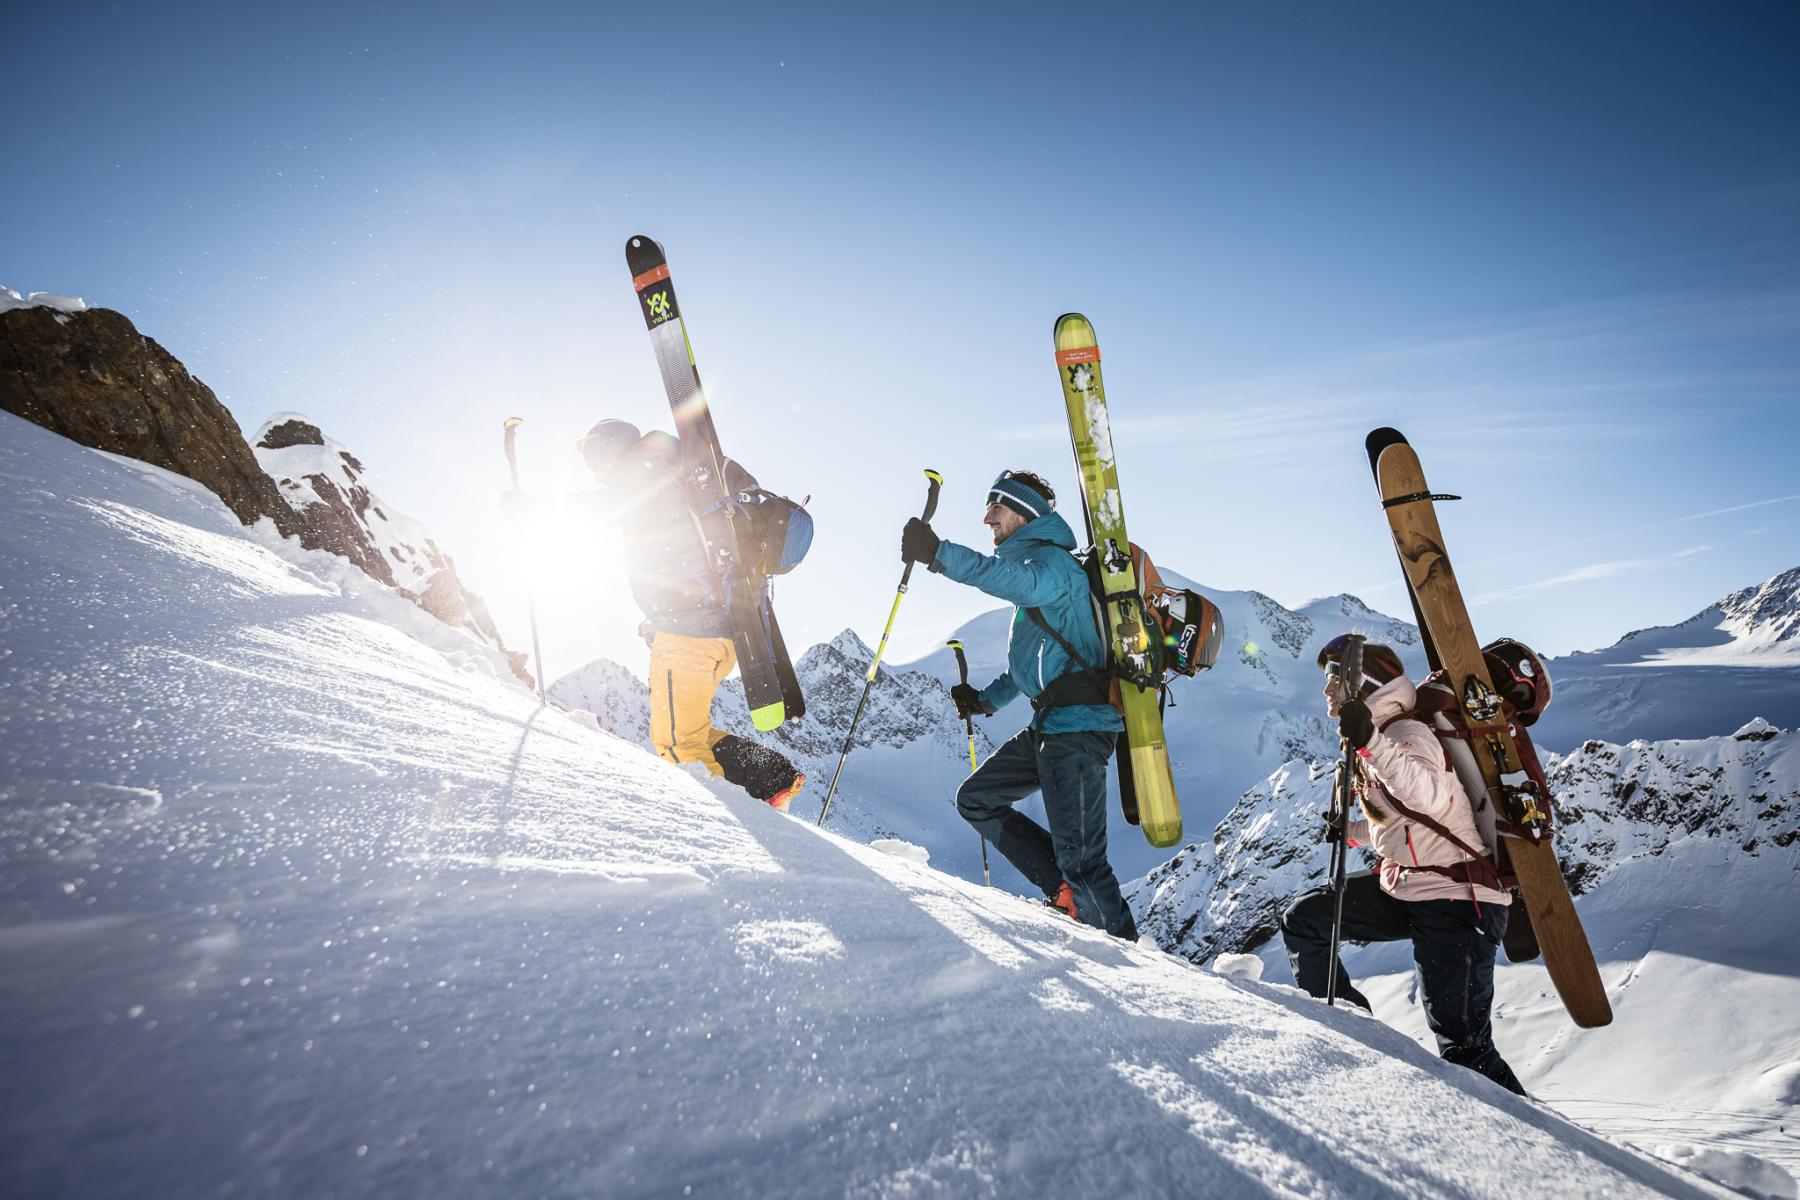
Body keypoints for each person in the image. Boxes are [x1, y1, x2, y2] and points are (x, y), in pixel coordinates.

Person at [502, 419, 804, 810]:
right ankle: (769, 777)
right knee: (685, 732)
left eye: (593, 452)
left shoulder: (641, 474)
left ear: (615, 447)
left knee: (676, 745)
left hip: (689, 638)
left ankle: (727, 830)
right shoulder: (678, 474)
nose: (592, 464)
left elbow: (601, 509)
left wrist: (533, 510)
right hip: (725, 635)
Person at [1279, 636, 1525, 1095]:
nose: (1326, 689)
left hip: (1460, 898)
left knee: (1465, 1048)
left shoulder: (1404, 734)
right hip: (1413, 886)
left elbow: (1426, 796)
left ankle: (1541, 1143)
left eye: (1335, 677)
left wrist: (1371, 740)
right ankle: (1359, 1037)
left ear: (1364, 682)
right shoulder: (1382, 737)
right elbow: (1402, 826)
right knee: (1307, 919)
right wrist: (1349, 829)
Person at [900, 469, 1138, 940]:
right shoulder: (1037, 573)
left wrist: (938, 554)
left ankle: (1135, 961)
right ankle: (1067, 895)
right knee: (977, 799)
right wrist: (984, 703)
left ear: (1026, 514)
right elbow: (1027, 670)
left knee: (1084, 862)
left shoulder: (1054, 569)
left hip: (1078, 730)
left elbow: (1008, 581)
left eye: (998, 506)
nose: (987, 516)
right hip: (1051, 727)